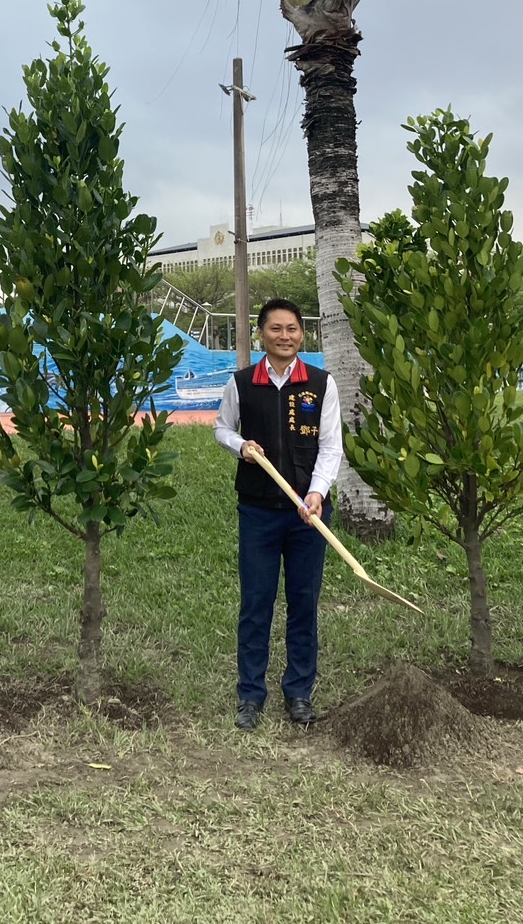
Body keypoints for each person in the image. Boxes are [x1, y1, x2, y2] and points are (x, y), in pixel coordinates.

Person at [214, 298, 342, 731]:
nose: (284, 336)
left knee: (303, 603)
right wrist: (240, 446)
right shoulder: (242, 383)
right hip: (258, 512)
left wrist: (317, 493)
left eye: (291, 329)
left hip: (308, 516)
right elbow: (222, 428)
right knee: (256, 604)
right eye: (275, 329)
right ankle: (250, 695)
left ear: (302, 334)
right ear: (261, 334)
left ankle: (299, 692)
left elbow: (331, 446)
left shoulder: (321, 384)